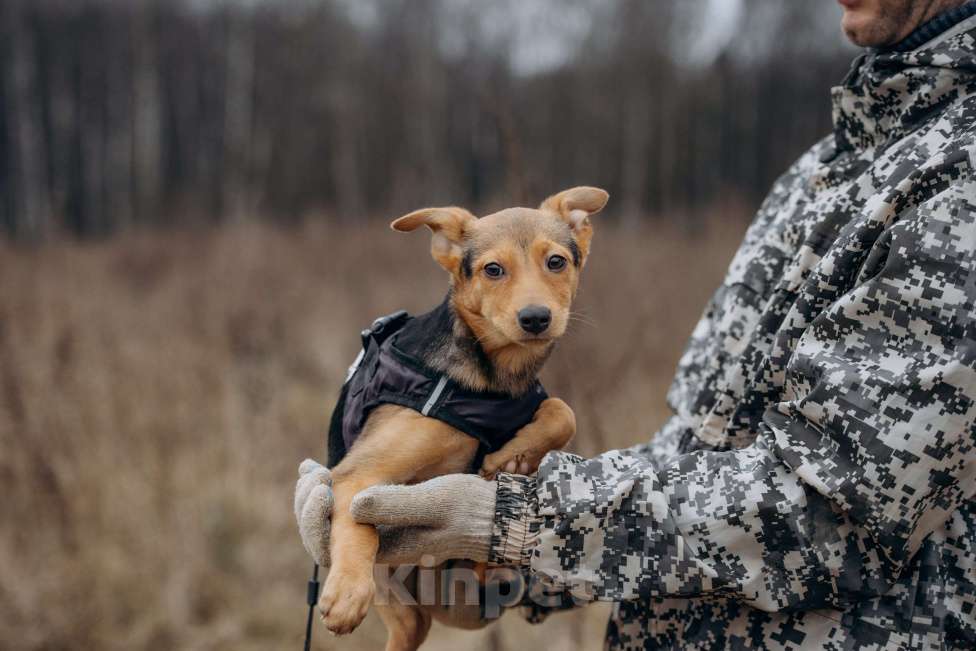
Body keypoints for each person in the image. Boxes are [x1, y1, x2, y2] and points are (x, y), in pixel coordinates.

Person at [295, 1, 976, 647]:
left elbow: (832, 516)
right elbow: (697, 455)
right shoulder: (823, 170)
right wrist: (500, 569)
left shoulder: (958, 179)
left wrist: (514, 525)